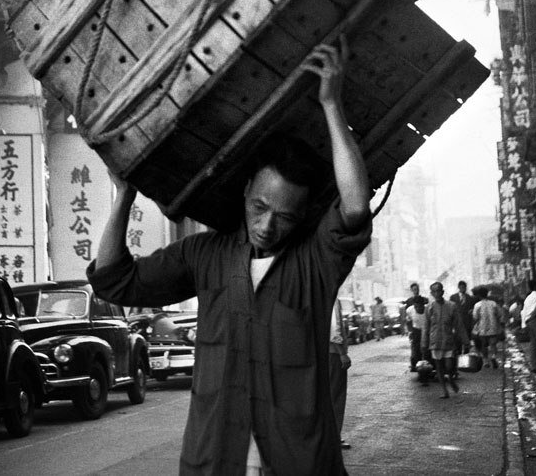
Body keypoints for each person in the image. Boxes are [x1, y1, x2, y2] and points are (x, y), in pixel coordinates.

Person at [89, 37, 371, 475]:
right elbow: (114, 280)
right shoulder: (205, 255)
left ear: (302, 219)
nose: (267, 225)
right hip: (216, 458)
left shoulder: (317, 264)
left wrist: (331, 104)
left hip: (299, 462)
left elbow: (354, 206)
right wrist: (124, 196)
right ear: (245, 191)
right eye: (259, 207)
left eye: (284, 217)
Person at [423, 281, 469, 399]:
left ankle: (451, 380)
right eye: (435, 291)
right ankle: (445, 391)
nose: (437, 293)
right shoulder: (429, 308)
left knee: (449, 366)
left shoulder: (451, 306)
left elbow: (459, 325)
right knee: (438, 367)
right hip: (435, 341)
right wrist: (423, 343)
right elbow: (426, 327)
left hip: (448, 340)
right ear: (432, 293)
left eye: (439, 290)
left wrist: (466, 341)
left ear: (443, 292)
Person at [329, 298, 352, 450]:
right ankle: (334, 436)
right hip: (333, 354)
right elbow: (334, 330)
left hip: (324, 353)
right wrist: (342, 353)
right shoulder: (332, 298)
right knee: (336, 396)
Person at [471, 286, 504, 369]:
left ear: (479, 295)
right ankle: (493, 356)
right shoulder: (493, 303)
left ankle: (485, 360)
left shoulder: (477, 305)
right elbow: (500, 314)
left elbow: (475, 317)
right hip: (493, 327)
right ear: (487, 294)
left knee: (483, 345)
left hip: (482, 328)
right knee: (493, 344)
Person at [406, 292, 428, 373]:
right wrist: (410, 332)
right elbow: (408, 322)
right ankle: (415, 365)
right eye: (416, 306)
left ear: (423, 305)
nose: (418, 308)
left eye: (420, 306)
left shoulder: (427, 310)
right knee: (415, 350)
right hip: (416, 331)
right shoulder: (410, 310)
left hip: (426, 331)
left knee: (426, 350)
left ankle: (428, 365)